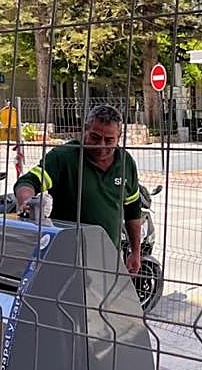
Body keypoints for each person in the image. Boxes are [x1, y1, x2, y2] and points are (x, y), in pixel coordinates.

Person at [14, 104, 142, 274]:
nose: (101, 146)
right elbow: (29, 181)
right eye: (95, 137)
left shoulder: (126, 162)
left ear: (119, 137)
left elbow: (133, 210)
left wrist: (136, 252)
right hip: (67, 258)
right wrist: (26, 201)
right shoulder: (64, 157)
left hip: (107, 256)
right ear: (84, 130)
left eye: (109, 140)